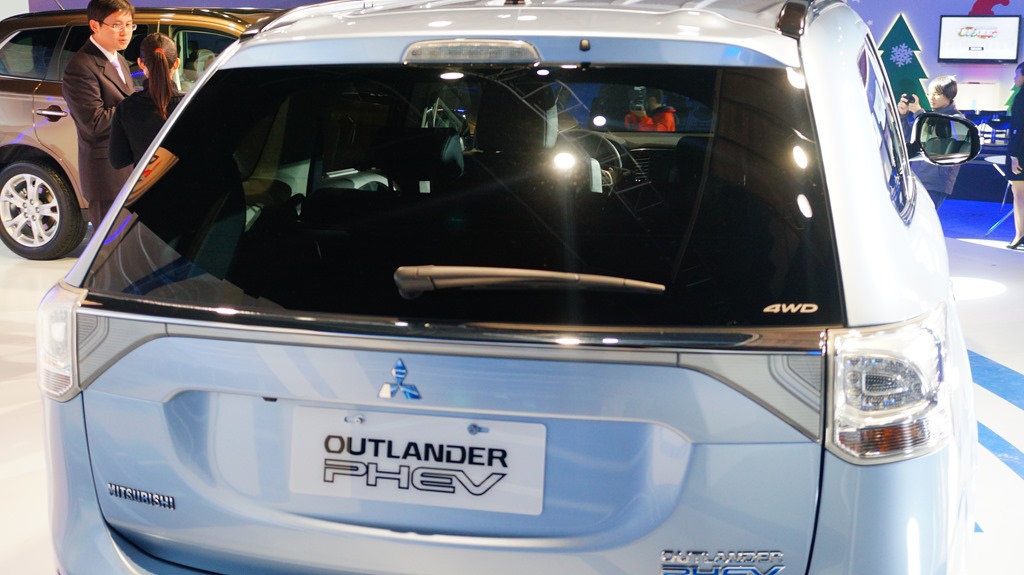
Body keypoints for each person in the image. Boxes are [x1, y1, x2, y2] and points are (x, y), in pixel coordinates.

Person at [62, 0, 136, 229]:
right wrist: (137, 106)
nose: (125, 32)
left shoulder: (118, 59)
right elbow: (94, 123)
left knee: (129, 242)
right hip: (106, 175)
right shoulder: (80, 66)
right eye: (117, 25)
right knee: (108, 244)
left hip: (127, 167)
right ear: (95, 26)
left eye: (129, 24)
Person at [110, 33, 184, 169]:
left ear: (141, 63)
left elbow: (118, 160)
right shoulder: (190, 106)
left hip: (146, 181)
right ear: (176, 63)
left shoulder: (126, 108)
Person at [898, 75, 965, 209]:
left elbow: (936, 139)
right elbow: (908, 141)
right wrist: (903, 116)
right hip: (917, 178)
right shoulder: (928, 117)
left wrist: (918, 112)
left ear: (949, 95)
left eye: (936, 94)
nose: (931, 98)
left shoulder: (957, 119)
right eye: (929, 93)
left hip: (936, 183)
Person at [1005, 61, 1024, 250]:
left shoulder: (1020, 98)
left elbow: (1018, 128)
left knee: (1018, 193)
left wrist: (1014, 155)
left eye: (1017, 74)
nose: (1015, 78)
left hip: (1020, 151)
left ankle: (1019, 234)